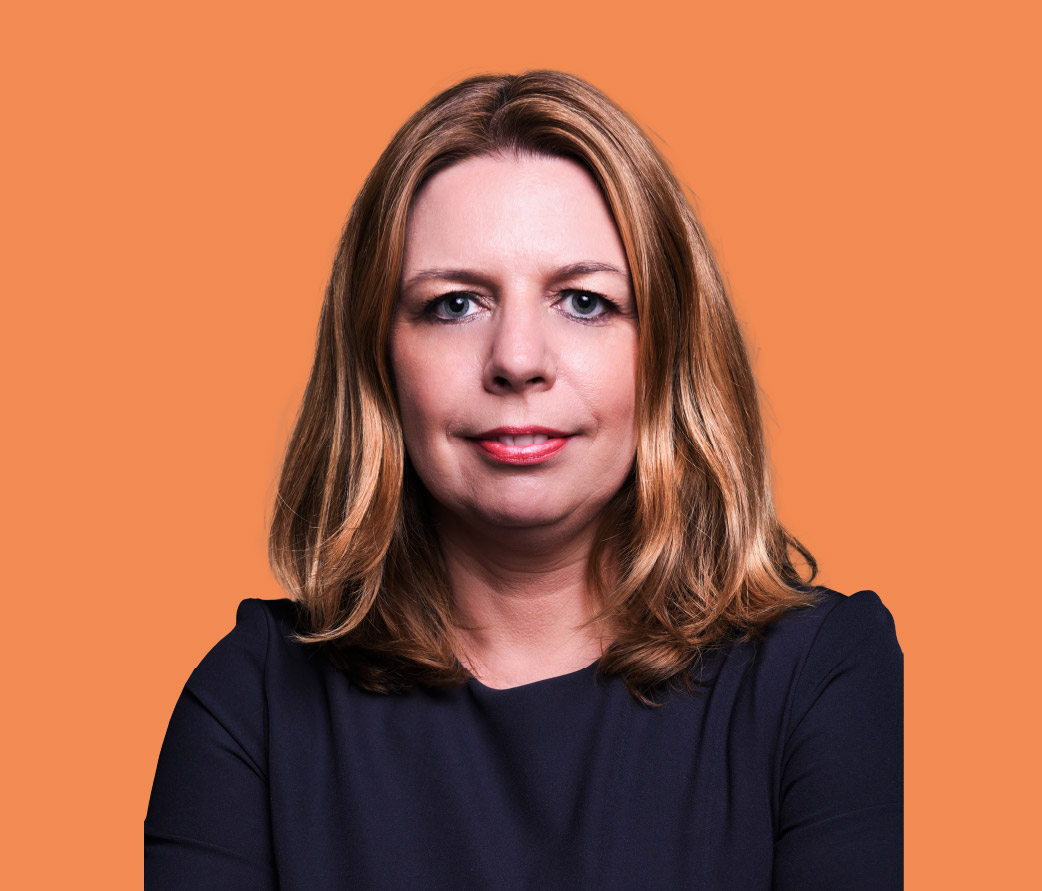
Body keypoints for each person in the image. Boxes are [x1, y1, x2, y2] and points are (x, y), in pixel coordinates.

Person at [145, 71, 902, 889]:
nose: (516, 359)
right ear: (378, 360)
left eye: (583, 301)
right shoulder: (250, 702)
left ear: (669, 349)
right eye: (455, 304)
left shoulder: (821, 676)